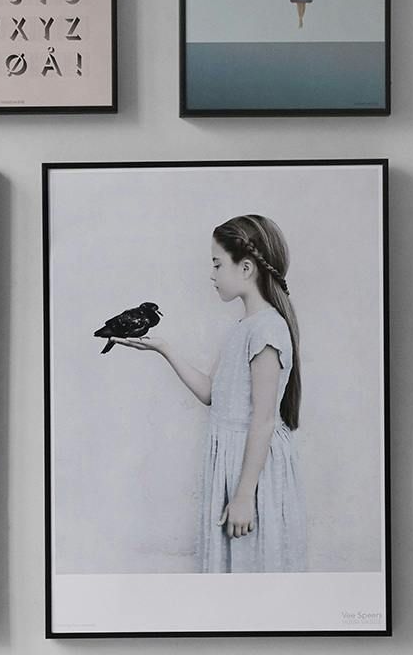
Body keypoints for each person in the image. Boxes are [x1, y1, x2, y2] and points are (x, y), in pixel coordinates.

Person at [114, 214, 307, 574]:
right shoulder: (243, 328)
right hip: (234, 463)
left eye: (218, 264)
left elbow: (263, 420)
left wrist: (245, 494)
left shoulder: (267, 330)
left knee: (255, 569)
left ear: (246, 267)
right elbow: (211, 394)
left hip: (252, 470)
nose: (212, 274)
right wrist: (164, 348)